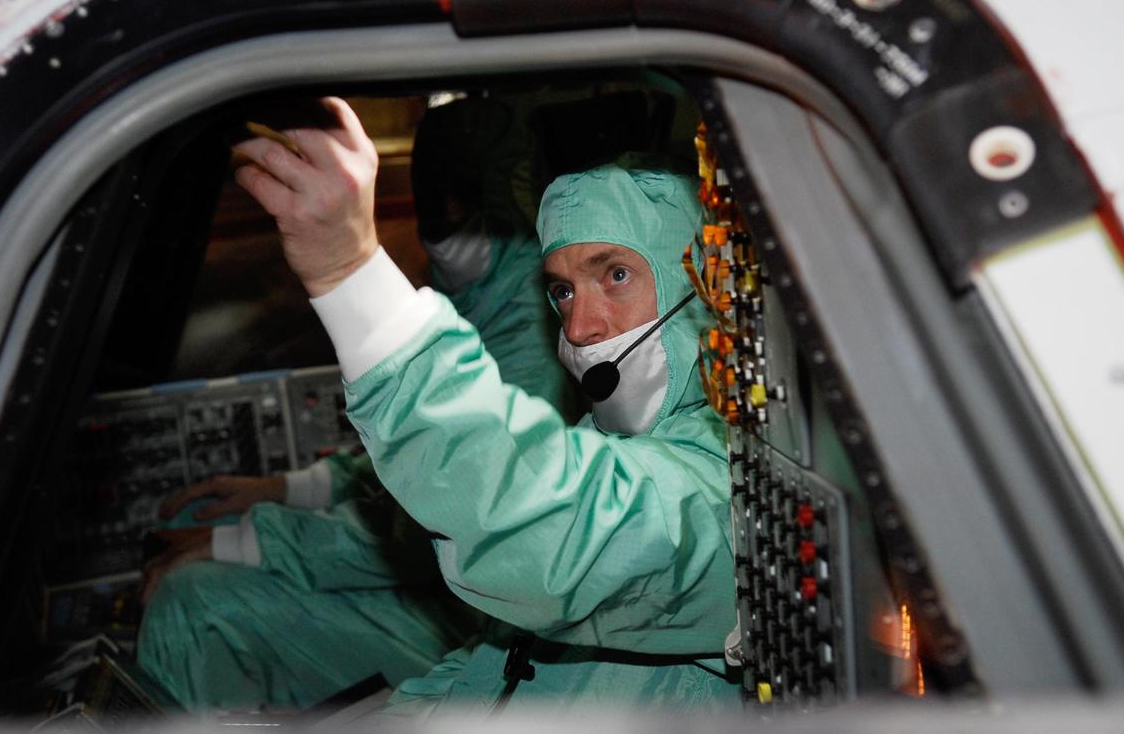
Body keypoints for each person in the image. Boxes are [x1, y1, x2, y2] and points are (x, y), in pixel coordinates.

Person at [211, 97, 737, 718]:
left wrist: (350, 274)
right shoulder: (606, 438)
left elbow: (552, 525)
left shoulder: (725, 492)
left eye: (616, 275)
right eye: (563, 291)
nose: (581, 326)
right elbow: (501, 665)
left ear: (697, 285)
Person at [135, 97, 578, 710]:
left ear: (504, 192)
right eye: (429, 194)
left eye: (460, 193)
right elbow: (410, 450)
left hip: (480, 632)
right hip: (442, 598)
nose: (443, 214)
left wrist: (246, 543)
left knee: (194, 606)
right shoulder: (473, 291)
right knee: (196, 544)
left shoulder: (539, 326)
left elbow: (441, 514)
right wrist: (288, 490)